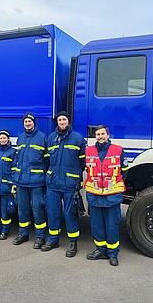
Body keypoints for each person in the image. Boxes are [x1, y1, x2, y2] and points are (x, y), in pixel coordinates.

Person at [41, 111, 85, 257]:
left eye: (64, 120)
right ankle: (53, 240)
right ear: (57, 122)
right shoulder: (51, 138)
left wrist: (76, 178)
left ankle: (73, 242)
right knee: (52, 212)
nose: (61, 122)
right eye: (59, 120)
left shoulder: (78, 138)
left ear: (68, 121)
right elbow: (47, 159)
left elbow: (82, 162)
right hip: (53, 182)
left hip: (70, 183)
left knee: (70, 213)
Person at [84, 125, 129, 266]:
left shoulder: (118, 150)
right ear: (95, 136)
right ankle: (100, 250)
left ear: (108, 135)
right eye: (98, 134)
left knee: (111, 226)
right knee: (96, 225)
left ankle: (113, 254)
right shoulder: (88, 151)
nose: (100, 136)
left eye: (103, 134)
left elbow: (125, 171)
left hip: (112, 196)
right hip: (95, 195)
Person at [13, 113, 48, 249]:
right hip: (22, 180)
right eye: (25, 121)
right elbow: (18, 159)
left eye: (30, 121)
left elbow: (47, 160)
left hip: (36, 180)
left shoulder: (42, 137)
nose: (27, 123)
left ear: (34, 123)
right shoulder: (21, 138)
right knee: (22, 209)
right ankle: (23, 234)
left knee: (37, 209)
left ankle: (40, 236)